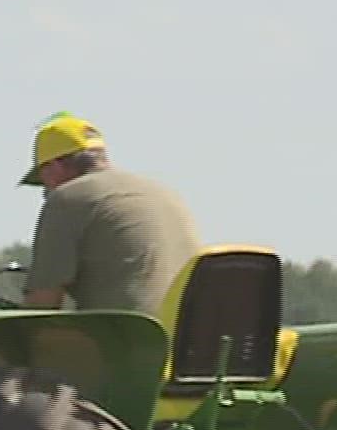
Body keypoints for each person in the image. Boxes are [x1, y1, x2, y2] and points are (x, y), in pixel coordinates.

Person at [17, 111, 202, 315]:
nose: (45, 191)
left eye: (43, 180)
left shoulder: (67, 198)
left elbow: (43, 303)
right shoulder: (166, 193)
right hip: (190, 338)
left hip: (129, 337)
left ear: (53, 167)